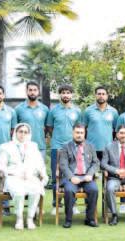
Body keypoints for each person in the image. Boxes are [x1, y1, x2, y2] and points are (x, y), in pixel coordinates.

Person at [0, 123, 48, 230]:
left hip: (30, 176)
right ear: (15, 132)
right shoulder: (6, 146)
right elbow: (1, 165)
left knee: (36, 190)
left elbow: (39, 163)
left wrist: (43, 174)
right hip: (13, 176)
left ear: (29, 134)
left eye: (26, 132)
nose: (23, 134)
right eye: (20, 131)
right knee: (19, 192)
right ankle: (19, 218)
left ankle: (30, 218)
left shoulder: (33, 146)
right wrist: (14, 173)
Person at [46, 84, 83, 213]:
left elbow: (80, 129)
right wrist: (56, 139)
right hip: (57, 147)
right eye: (63, 93)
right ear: (60, 95)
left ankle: (73, 204)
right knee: (56, 174)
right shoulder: (53, 111)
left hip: (73, 147)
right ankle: (56, 204)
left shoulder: (77, 111)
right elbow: (49, 128)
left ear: (71, 95)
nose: (65, 95)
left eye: (68, 92)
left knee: (74, 174)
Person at [58, 124, 100, 228]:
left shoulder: (90, 146)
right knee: (69, 190)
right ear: (73, 133)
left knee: (94, 189)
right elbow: (63, 165)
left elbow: (96, 163)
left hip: (86, 177)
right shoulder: (66, 146)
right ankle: (68, 219)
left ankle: (89, 219)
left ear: (84, 133)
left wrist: (90, 174)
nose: (79, 135)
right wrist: (71, 177)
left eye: (81, 133)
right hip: (72, 178)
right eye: (77, 132)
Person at [83, 86, 120, 161]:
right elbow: (83, 129)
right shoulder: (88, 111)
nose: (101, 96)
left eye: (103, 94)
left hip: (108, 149)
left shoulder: (113, 112)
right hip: (91, 148)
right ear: (95, 95)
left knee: (108, 172)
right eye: (99, 94)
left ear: (107, 96)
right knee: (90, 172)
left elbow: (116, 130)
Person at [13, 82, 49, 155]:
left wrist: (46, 137)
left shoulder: (44, 109)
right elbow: (14, 128)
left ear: (38, 92)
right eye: (30, 90)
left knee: (39, 167)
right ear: (26, 91)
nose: (32, 92)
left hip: (40, 147)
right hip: (23, 147)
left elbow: (47, 127)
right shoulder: (18, 109)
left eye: (35, 90)